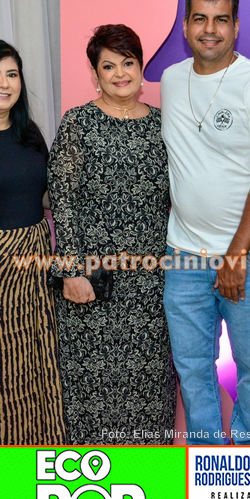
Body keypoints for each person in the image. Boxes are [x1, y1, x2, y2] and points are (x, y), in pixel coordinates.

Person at [161, 0, 250, 445]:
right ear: (185, 25)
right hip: (183, 256)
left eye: (221, 19)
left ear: (236, 26)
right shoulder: (172, 80)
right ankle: (208, 465)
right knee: (192, 369)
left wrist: (235, 255)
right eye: (200, 18)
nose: (210, 30)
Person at [48, 24, 176, 445]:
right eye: (108, 66)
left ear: (140, 67)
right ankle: (92, 477)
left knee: (150, 389)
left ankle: (147, 476)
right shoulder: (78, 123)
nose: (120, 73)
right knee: (92, 392)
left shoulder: (163, 125)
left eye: (128, 63)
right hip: (92, 284)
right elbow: (63, 200)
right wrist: (71, 271)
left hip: (151, 285)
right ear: (95, 74)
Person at [0, 39, 67, 445]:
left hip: (35, 270)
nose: (4, 83)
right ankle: (1, 463)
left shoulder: (29, 133)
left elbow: (45, 197)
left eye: (12, 74)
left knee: (39, 366)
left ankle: (42, 458)